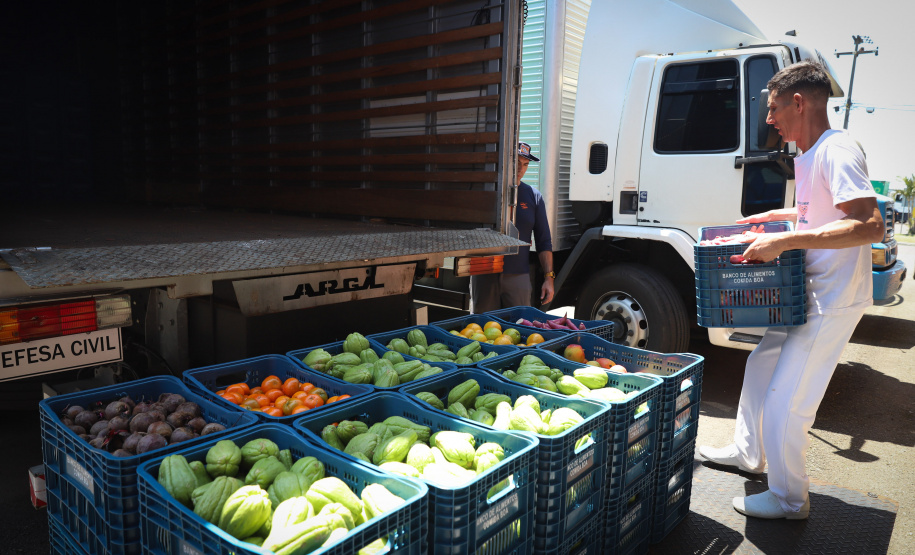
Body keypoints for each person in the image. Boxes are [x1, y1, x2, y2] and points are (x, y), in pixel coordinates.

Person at [698, 61, 884, 519]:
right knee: (760, 366)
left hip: (831, 298)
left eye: (774, 107)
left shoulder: (837, 149)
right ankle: (748, 453)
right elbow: (821, 215)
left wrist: (785, 239)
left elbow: (870, 225)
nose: (769, 119)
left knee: (788, 400)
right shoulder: (813, 151)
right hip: (805, 292)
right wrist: (779, 219)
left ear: (798, 102)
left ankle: (789, 499)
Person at [470, 142, 554, 313]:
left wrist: (549, 277)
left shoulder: (533, 196)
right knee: (480, 329)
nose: (521, 169)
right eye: (516, 163)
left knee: (520, 329)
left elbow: (544, 241)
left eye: (525, 164)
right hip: (484, 273)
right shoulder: (487, 190)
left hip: (518, 276)